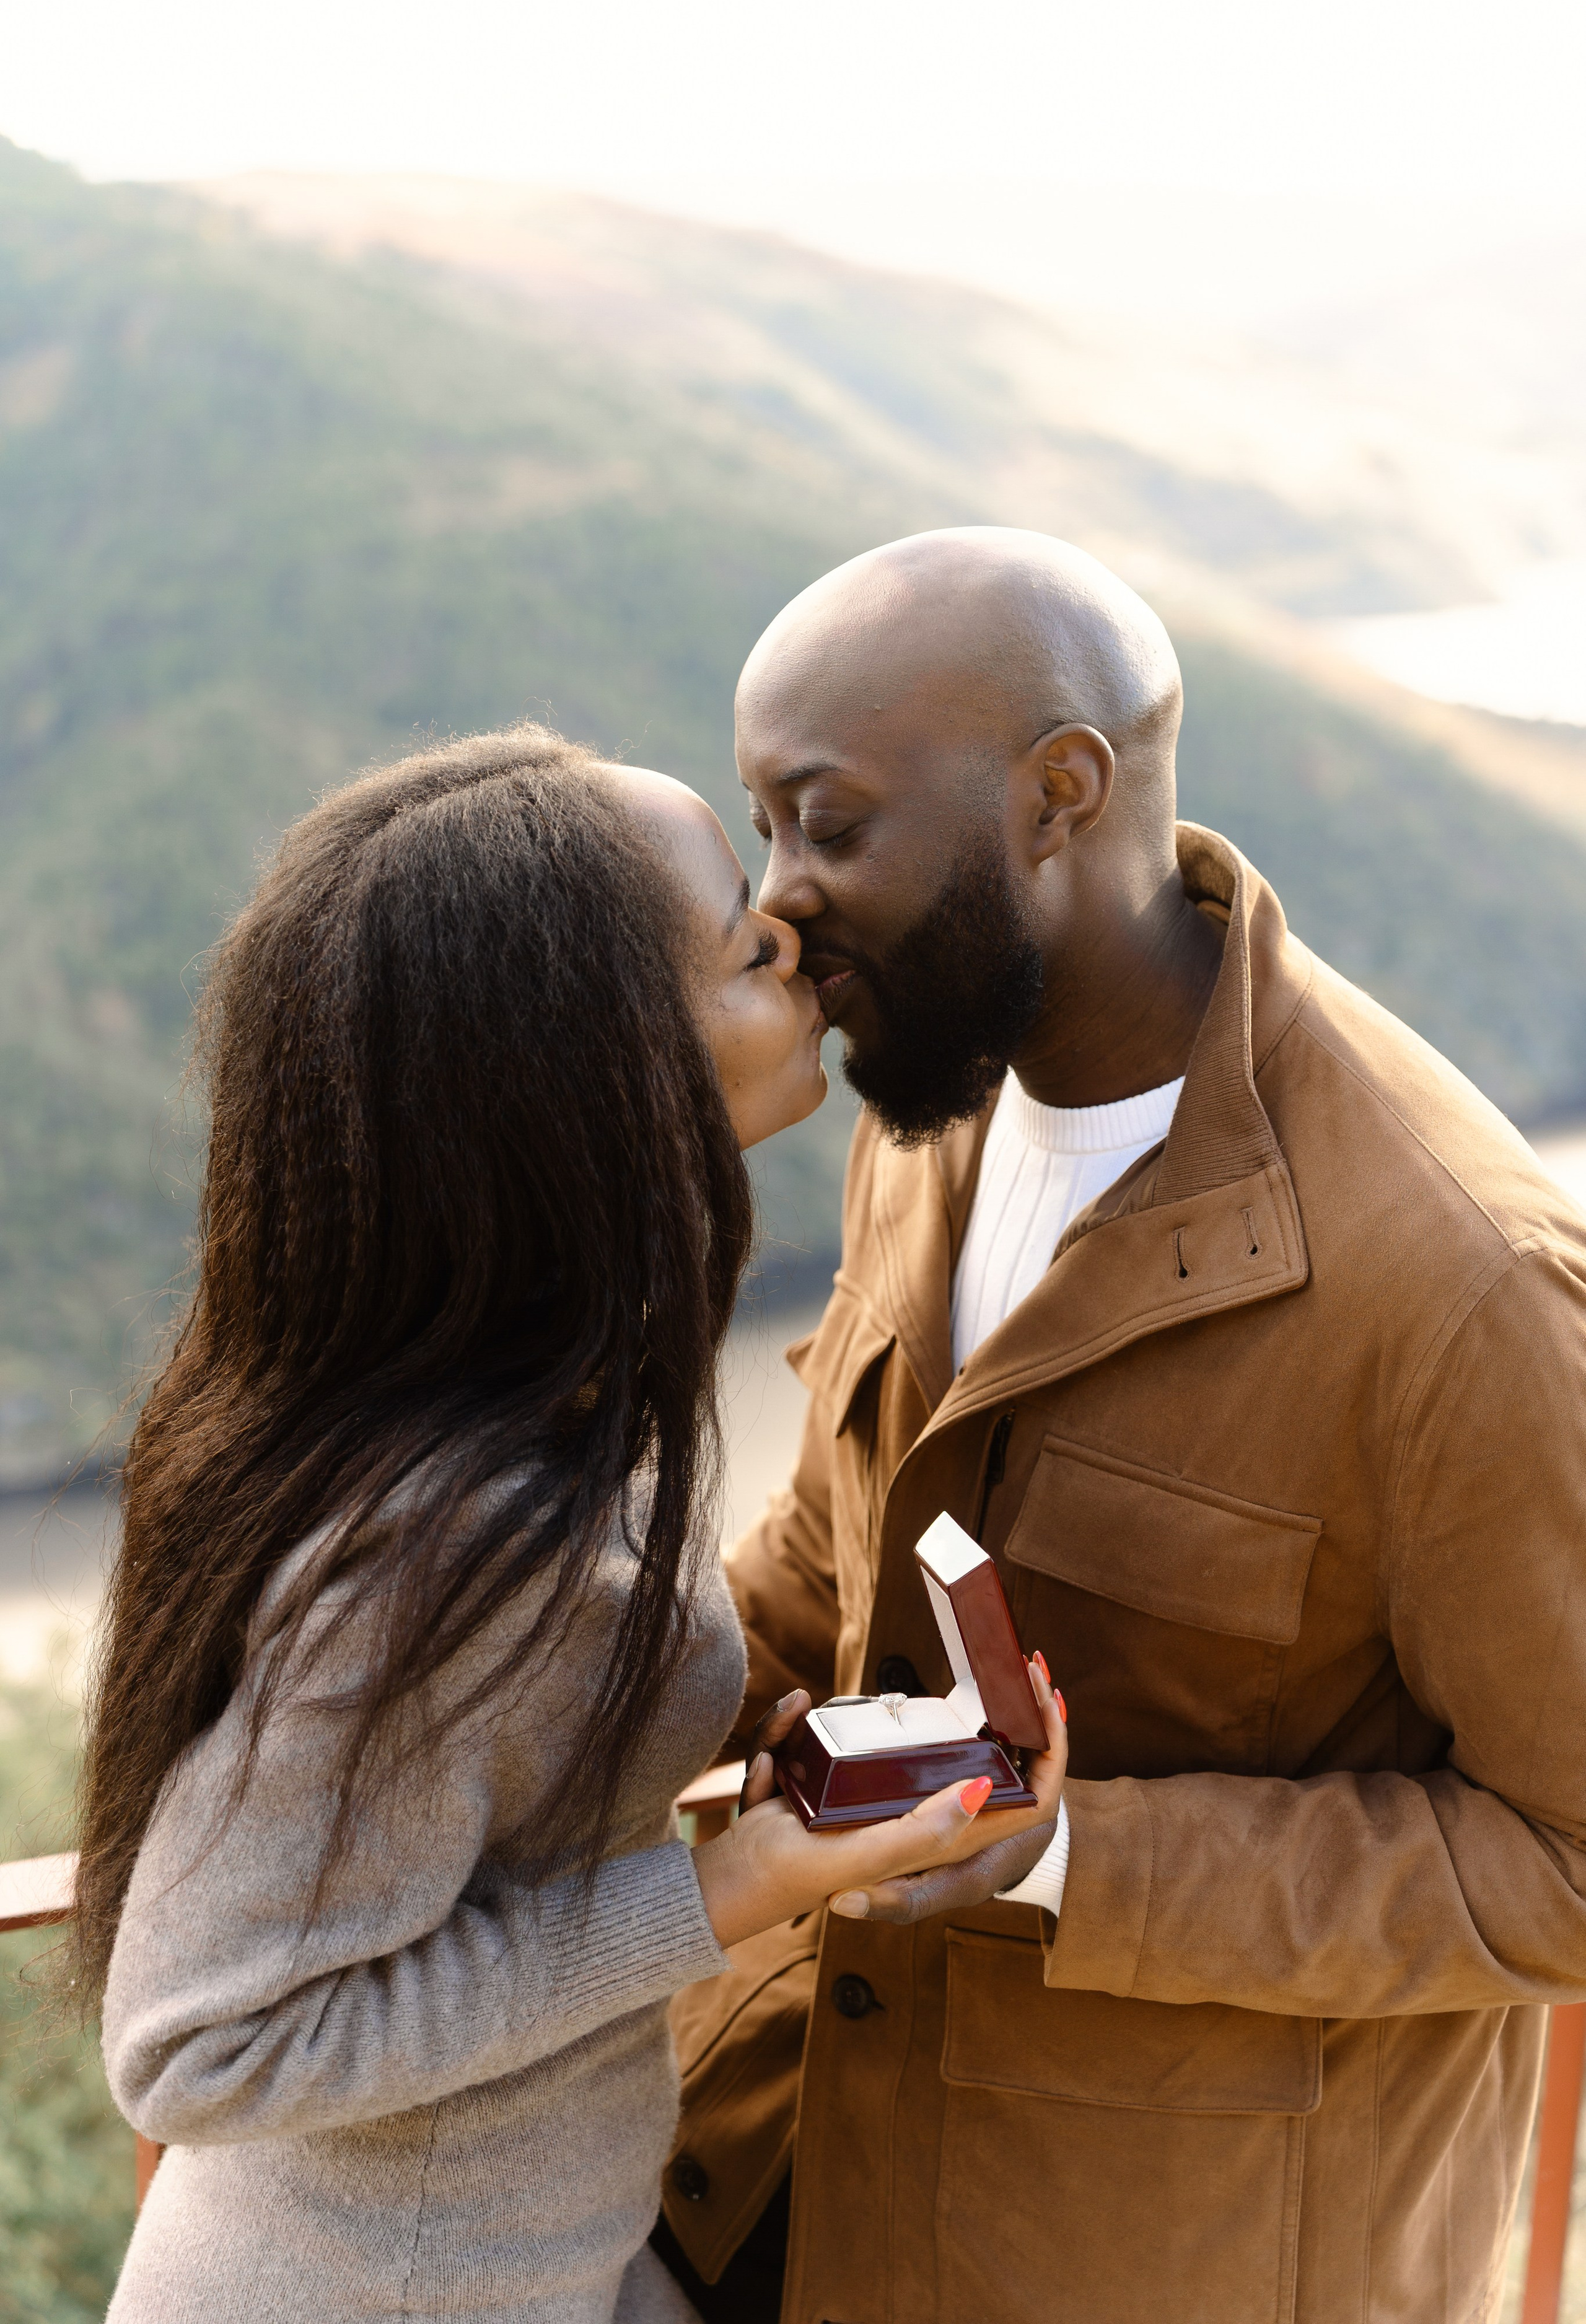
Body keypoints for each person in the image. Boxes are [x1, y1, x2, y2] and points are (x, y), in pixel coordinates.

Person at [654, 531, 1586, 2324]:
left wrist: (1068, 1854)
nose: (780, 899)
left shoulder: (1467, 1290)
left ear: (1058, 798)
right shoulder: (927, 1107)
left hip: (1160, 2261)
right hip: (795, 2178)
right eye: (763, 827)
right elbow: (833, 1546)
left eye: (826, 824)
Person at [77, 729, 1064, 2324]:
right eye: (748, 947)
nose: (801, 953)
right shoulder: (438, 1542)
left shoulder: (507, 1399)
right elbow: (206, 2043)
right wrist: (739, 1883)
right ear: (594, 1079)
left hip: (534, 2263)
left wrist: (759, 1757)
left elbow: (469, 1808)